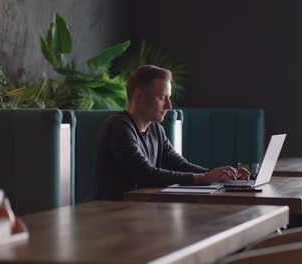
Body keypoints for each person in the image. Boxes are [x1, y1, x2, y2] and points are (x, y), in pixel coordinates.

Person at [94, 65, 249, 200]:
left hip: (141, 211)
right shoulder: (119, 126)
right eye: (162, 98)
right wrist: (204, 178)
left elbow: (179, 165)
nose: (169, 105)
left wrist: (221, 175)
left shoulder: (155, 129)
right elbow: (146, 174)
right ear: (139, 96)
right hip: (114, 215)